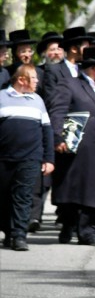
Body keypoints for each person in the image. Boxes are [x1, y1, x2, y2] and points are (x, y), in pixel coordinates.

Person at [47, 45, 95, 246]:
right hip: (76, 149)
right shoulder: (69, 85)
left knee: (94, 193)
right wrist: (57, 138)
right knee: (72, 190)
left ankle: (88, 231)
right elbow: (57, 112)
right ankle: (69, 226)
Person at [0, 64, 54, 251]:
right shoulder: (1, 97)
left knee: (23, 197)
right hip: (4, 158)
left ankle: (19, 235)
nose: (37, 81)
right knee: (5, 196)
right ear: (22, 80)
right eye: (34, 78)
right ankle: (8, 232)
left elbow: (47, 131)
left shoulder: (37, 100)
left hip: (30, 158)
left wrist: (49, 159)